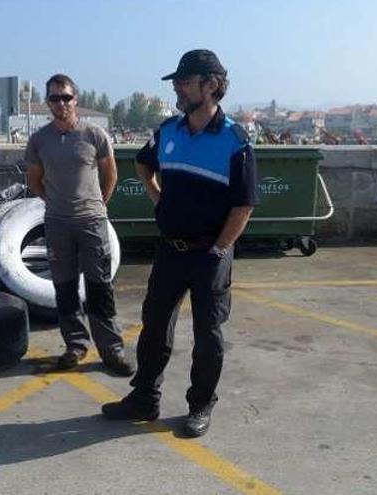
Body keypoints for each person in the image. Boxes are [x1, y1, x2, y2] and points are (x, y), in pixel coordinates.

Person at [101, 50, 259, 438]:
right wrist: (161, 200)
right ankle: (144, 399)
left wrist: (220, 250)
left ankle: (200, 405)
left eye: (185, 82)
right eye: (177, 82)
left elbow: (243, 206)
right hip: (171, 250)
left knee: (208, 336)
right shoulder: (168, 131)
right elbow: (142, 164)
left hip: (211, 253)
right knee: (153, 326)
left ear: (211, 85)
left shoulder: (235, 141)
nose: (177, 88)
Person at [24, 74, 134, 377]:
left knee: (100, 289)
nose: (61, 103)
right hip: (58, 224)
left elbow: (110, 175)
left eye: (66, 97)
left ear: (76, 99)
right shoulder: (39, 140)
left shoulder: (94, 135)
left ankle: (112, 350)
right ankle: (75, 345)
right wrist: (54, 203)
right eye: (54, 98)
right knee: (65, 288)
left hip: (92, 223)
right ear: (48, 102)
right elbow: (34, 179)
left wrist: (98, 204)